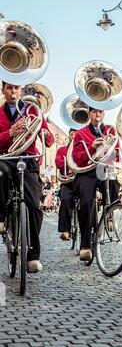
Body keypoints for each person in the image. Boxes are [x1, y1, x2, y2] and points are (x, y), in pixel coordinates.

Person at [0, 81, 54, 273]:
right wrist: (10, 133)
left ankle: (33, 256)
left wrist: (46, 134)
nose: (13, 92)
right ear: (3, 90)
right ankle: (1, 215)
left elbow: (48, 140)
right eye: (9, 88)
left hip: (28, 159)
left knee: (35, 206)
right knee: (0, 173)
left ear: (20, 90)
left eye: (16, 88)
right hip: (7, 158)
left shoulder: (33, 110)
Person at [72, 107, 120, 261]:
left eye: (100, 111)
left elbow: (117, 153)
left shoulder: (111, 131)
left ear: (103, 113)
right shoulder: (80, 134)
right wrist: (92, 148)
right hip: (86, 172)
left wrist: (113, 152)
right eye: (94, 112)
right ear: (89, 114)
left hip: (104, 169)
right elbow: (77, 158)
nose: (97, 114)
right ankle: (85, 245)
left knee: (113, 184)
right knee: (86, 201)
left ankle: (109, 214)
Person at [55, 128, 76, 240]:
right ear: (69, 137)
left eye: (75, 135)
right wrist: (69, 166)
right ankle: (65, 230)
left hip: (80, 181)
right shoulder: (62, 150)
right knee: (66, 200)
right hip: (68, 182)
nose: (73, 137)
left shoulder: (84, 148)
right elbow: (58, 162)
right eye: (71, 135)